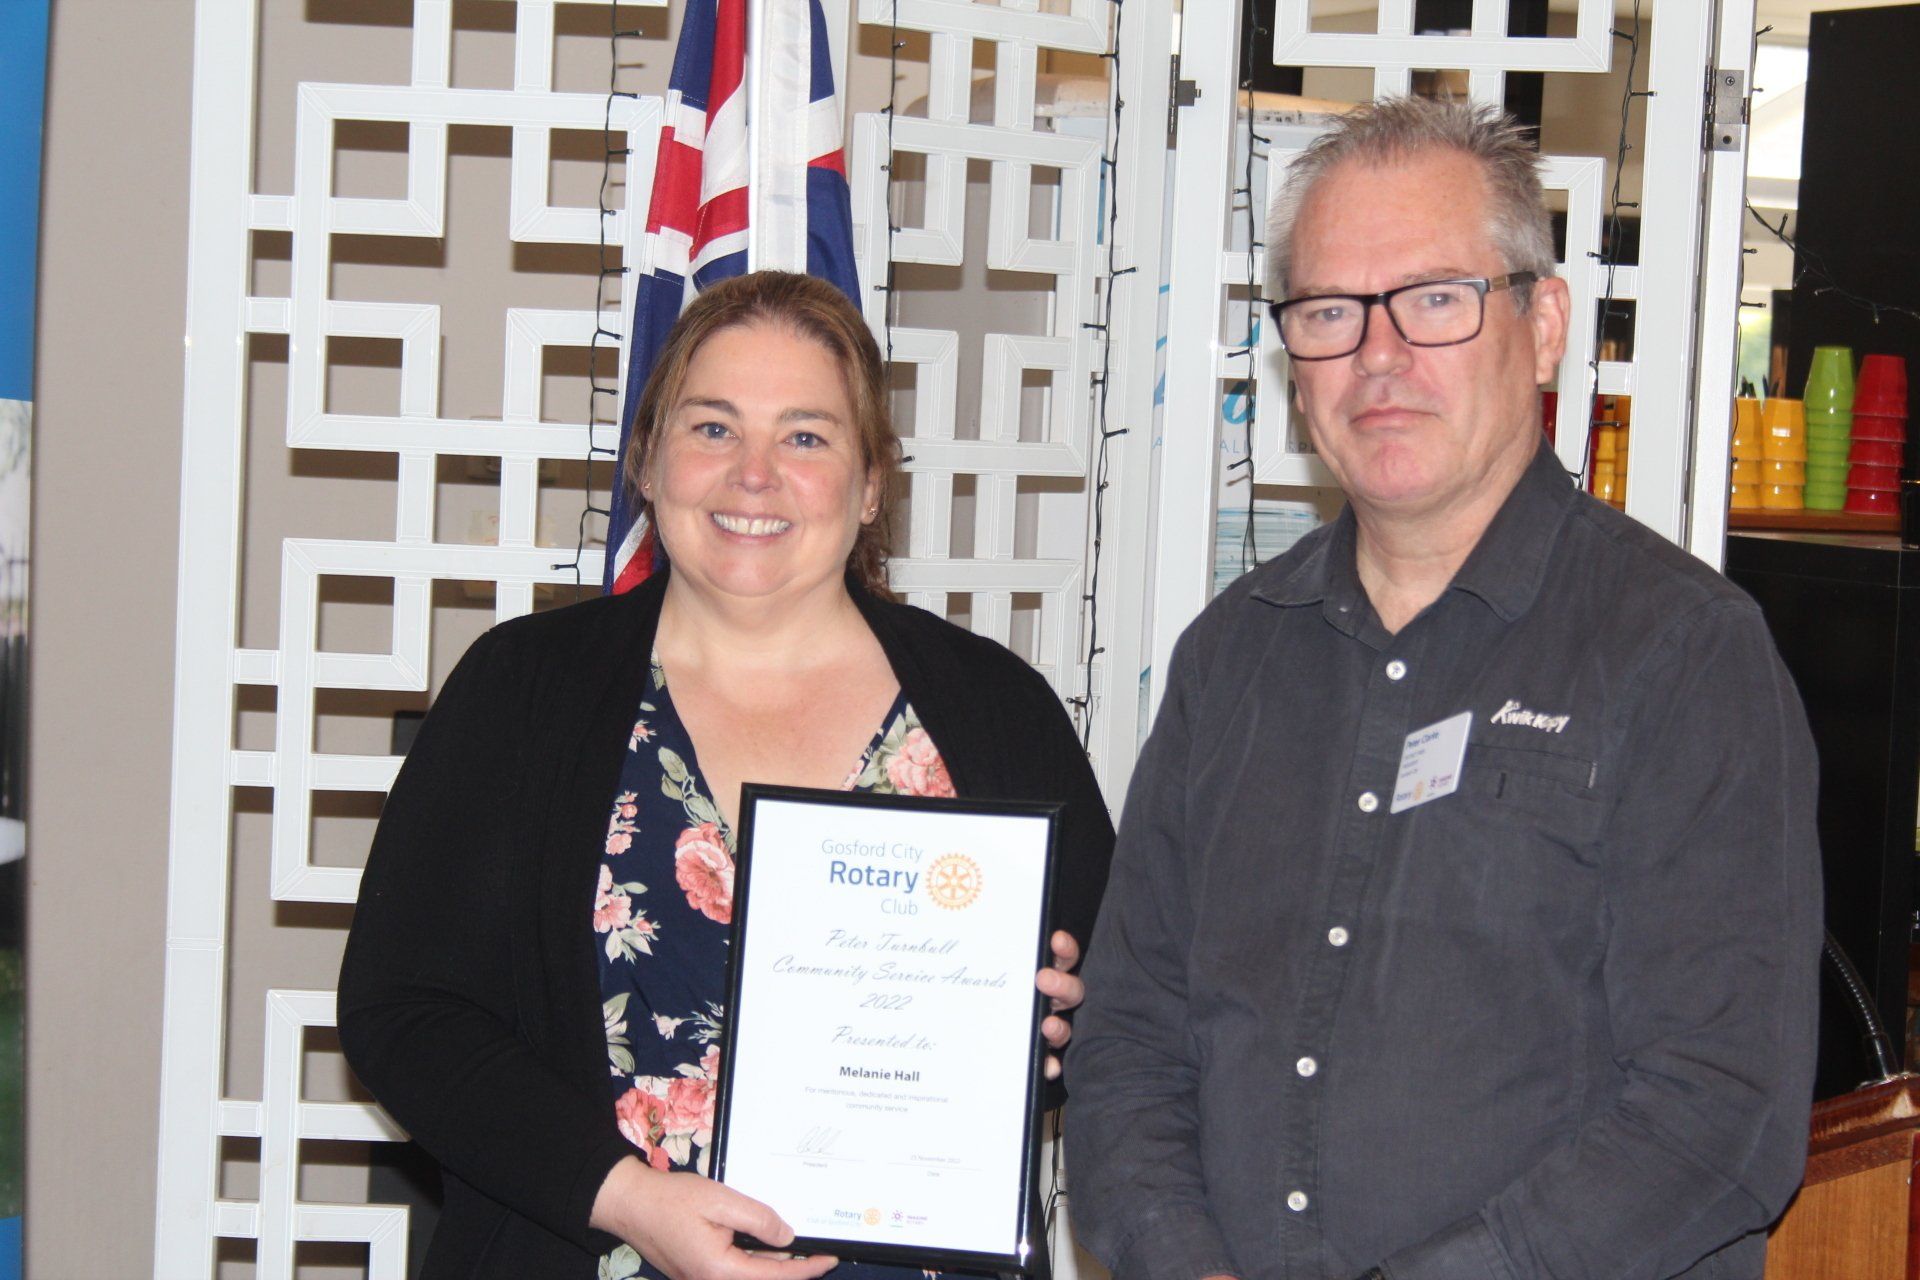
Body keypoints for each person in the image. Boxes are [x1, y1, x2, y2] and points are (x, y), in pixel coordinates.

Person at [1066, 97, 1821, 1280]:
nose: (1378, 355)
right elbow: (1128, 1040)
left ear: (1543, 324)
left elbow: (1719, 1110)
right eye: (1330, 311)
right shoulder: (1231, 657)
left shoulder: (1682, 652)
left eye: (1433, 299)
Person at [339, 271, 1113, 1279]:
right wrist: (627, 1199)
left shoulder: (997, 711)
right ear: (647, 460)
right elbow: (404, 1012)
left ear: (870, 484)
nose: (754, 475)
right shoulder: (521, 691)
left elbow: (1122, 1019)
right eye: (713, 428)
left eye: (805, 437)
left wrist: (1060, 1019)